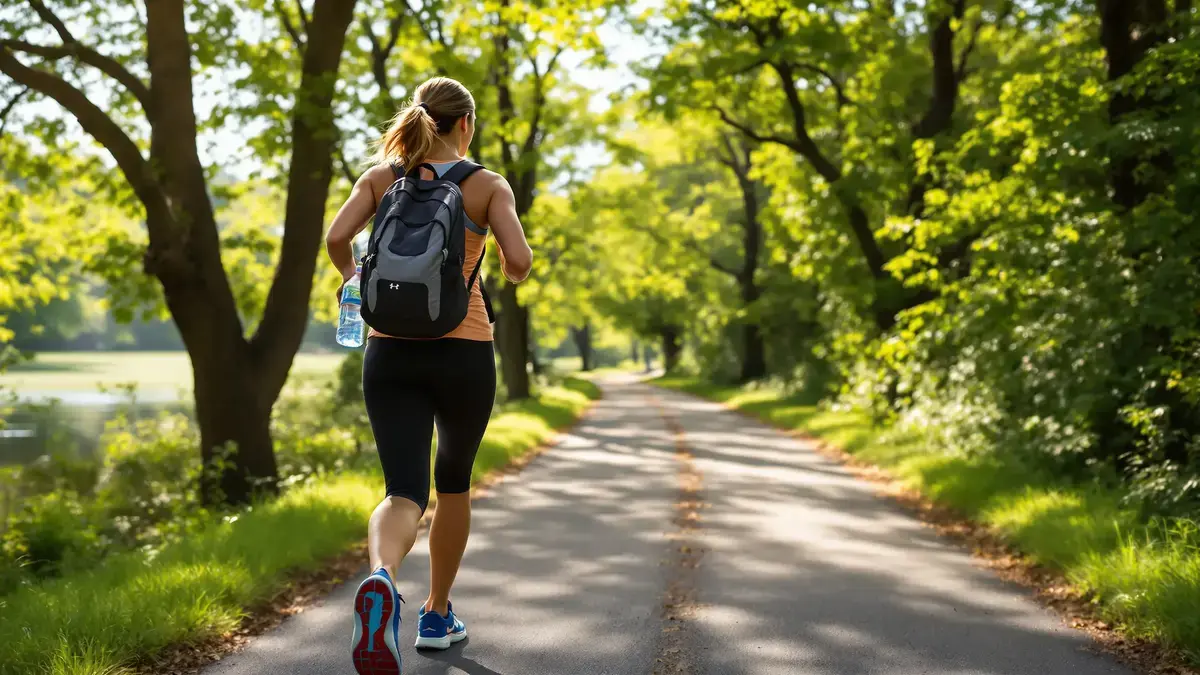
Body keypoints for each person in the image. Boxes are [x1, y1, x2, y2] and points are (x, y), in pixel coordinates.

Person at [324, 76, 532, 675]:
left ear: (419, 119)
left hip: (389, 353)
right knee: (454, 482)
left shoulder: (379, 178)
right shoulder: (486, 185)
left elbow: (339, 238)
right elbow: (517, 264)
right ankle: (437, 614)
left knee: (403, 490)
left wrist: (354, 282)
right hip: (463, 351)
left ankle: (383, 580)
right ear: (465, 125)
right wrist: (498, 250)